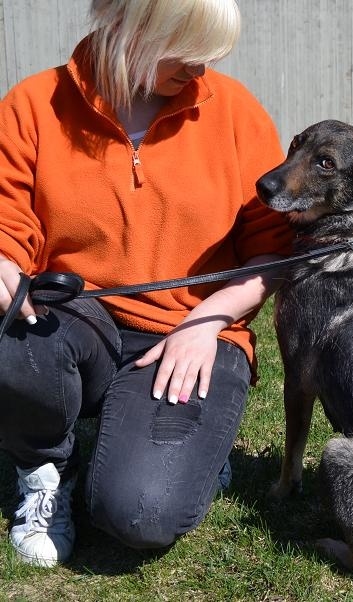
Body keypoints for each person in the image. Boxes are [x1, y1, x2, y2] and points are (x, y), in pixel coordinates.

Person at [0, 0, 292, 567]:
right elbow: (7, 222)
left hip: (194, 332)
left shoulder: (235, 112)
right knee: (14, 331)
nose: (200, 69)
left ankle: (191, 451)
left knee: (138, 514)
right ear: (130, 29)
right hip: (77, 319)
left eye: (209, 55)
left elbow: (272, 251)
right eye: (185, 53)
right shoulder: (33, 104)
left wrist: (206, 323)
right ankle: (44, 469)